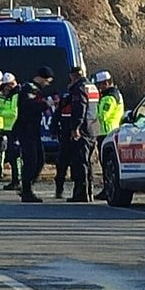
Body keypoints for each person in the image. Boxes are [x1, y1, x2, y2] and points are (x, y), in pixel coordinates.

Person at [13, 67, 54, 203]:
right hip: (26, 129)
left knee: (40, 160)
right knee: (31, 160)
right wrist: (45, 105)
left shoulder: (34, 89)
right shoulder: (28, 89)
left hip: (33, 130)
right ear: (41, 78)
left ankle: (27, 185)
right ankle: (26, 190)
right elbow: (28, 107)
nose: (47, 84)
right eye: (47, 81)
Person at [59, 66, 96, 203]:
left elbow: (80, 108)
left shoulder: (78, 88)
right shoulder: (91, 86)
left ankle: (81, 193)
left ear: (73, 76)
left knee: (80, 162)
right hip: (92, 128)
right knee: (87, 162)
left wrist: (75, 127)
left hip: (83, 129)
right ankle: (89, 191)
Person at [92, 70, 124, 201]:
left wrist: (92, 116)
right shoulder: (113, 95)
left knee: (107, 164)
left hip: (107, 132)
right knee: (106, 164)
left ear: (106, 83)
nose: (99, 88)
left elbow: (103, 116)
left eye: (100, 85)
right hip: (109, 132)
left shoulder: (109, 97)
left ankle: (108, 189)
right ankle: (107, 188)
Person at [0, 73, 22, 191]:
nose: (5, 89)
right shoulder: (13, 94)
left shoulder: (16, 95)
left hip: (13, 129)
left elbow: (13, 113)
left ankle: (16, 180)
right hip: (9, 129)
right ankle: (15, 180)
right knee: (13, 156)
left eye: (6, 86)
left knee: (15, 156)